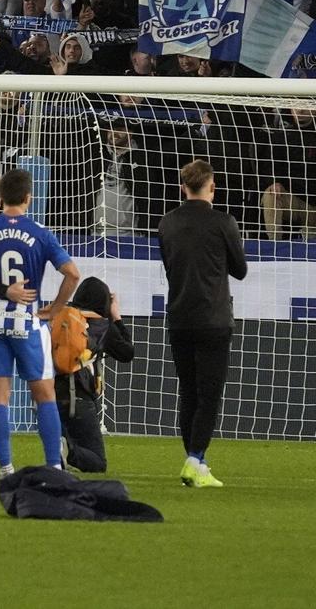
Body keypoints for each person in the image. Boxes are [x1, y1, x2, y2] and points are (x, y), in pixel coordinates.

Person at [0, 168, 80, 478]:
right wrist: (55, 309)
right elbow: (72, 274)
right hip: (28, 321)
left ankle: (5, 468)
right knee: (44, 392)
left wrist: (0, 290)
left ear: (0, 197)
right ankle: (54, 465)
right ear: (29, 198)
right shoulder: (40, 232)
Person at [157, 158, 248, 489]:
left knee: (188, 392)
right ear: (211, 187)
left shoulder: (166, 223)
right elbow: (240, 269)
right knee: (209, 394)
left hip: (179, 317)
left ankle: (198, 463)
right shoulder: (224, 222)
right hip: (213, 318)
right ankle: (195, 459)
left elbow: (169, 265)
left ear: (183, 187)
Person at [49, 276, 135, 473]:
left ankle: (59, 447)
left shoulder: (59, 319)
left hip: (48, 396)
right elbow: (128, 352)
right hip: (79, 398)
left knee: (64, 441)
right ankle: (68, 451)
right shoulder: (103, 327)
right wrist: (116, 317)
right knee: (97, 462)